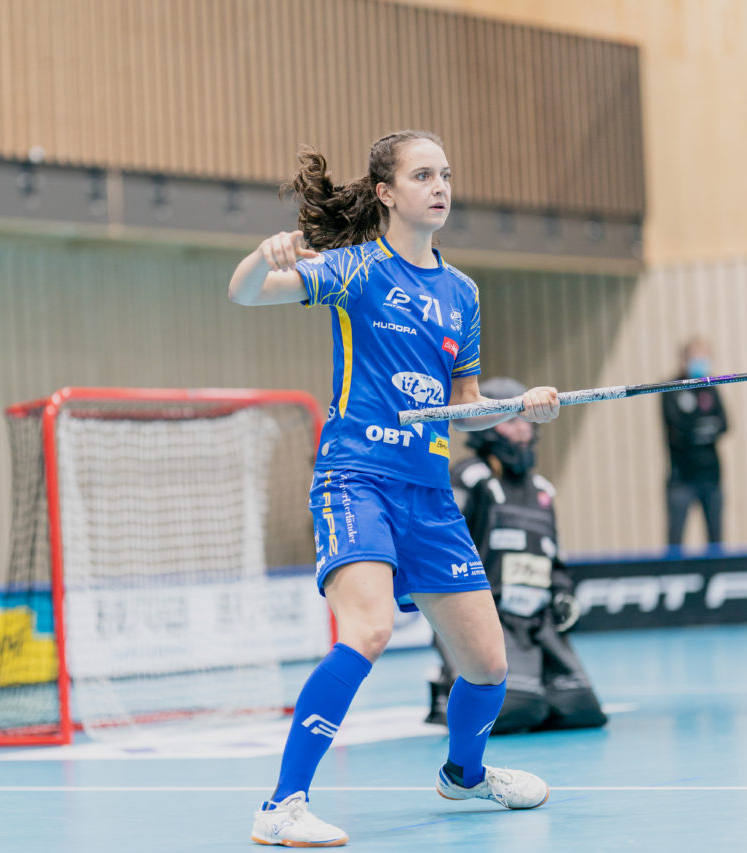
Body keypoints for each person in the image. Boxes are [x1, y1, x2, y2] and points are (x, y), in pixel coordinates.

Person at [228, 130, 560, 847]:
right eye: (421, 175)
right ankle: (282, 804)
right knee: (370, 628)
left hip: (429, 494)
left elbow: (462, 402)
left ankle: (464, 774)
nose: (440, 185)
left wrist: (514, 408)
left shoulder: (461, 292)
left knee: (489, 664)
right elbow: (247, 295)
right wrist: (264, 258)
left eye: (445, 173)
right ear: (386, 193)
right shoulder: (353, 270)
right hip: (357, 479)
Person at [426, 377, 606, 735]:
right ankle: (449, 681)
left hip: (538, 622)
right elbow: (440, 543)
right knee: (516, 710)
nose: (522, 431)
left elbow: (554, 556)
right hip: (490, 615)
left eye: (525, 421)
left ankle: (531, 680)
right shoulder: (469, 478)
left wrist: (562, 590)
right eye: (511, 421)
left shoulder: (542, 490)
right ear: (490, 426)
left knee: (581, 710)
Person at [662, 337, 728, 547]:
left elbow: (724, 424)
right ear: (684, 359)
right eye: (695, 357)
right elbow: (679, 431)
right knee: (675, 539)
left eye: (704, 357)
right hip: (681, 478)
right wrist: (705, 427)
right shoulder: (671, 389)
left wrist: (698, 428)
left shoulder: (711, 386)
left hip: (711, 476)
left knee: (716, 540)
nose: (700, 362)